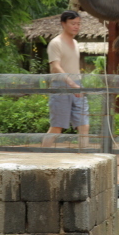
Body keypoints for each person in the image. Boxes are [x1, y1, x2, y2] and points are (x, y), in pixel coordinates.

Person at [45, 11, 89, 146]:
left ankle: (84, 157)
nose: (76, 26)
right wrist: (71, 83)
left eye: (78, 24)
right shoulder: (55, 43)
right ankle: (41, 155)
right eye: (73, 23)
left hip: (77, 85)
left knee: (84, 125)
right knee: (57, 127)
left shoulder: (75, 42)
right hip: (61, 86)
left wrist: (77, 84)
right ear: (63, 24)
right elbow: (56, 67)